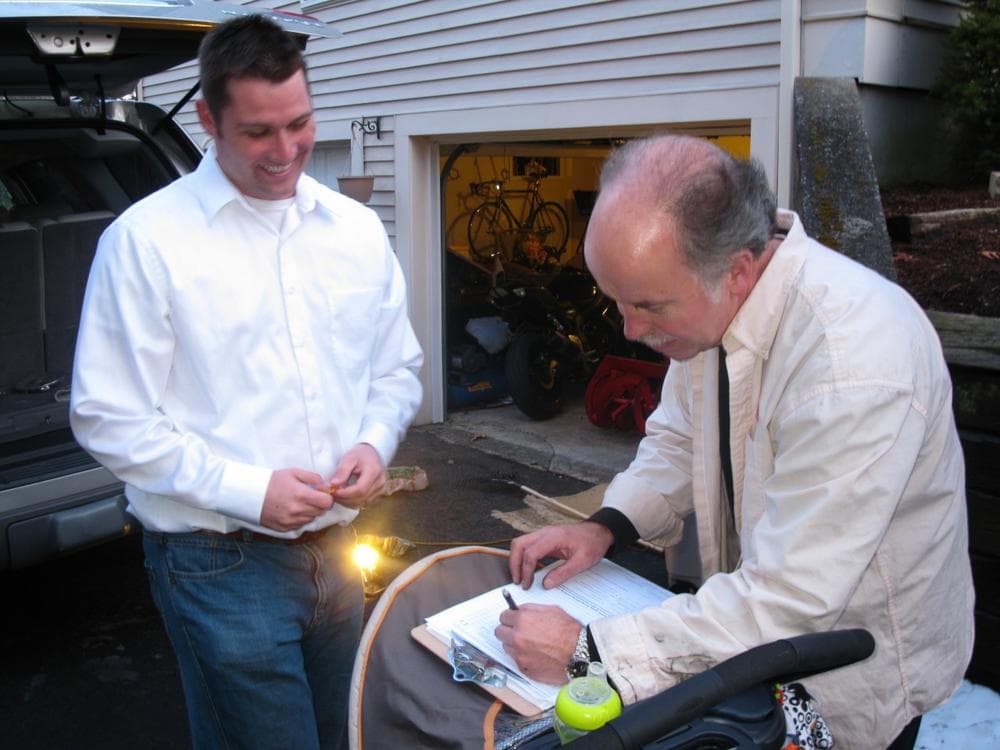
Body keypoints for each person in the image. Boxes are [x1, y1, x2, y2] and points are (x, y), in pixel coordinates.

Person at [496, 135, 974, 749]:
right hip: (760, 640)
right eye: (615, 300)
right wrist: (607, 524)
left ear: (738, 271)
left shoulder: (853, 360)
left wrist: (588, 651)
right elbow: (677, 437)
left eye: (647, 305)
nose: (631, 329)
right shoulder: (708, 300)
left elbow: (790, 595)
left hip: (857, 668)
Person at [70, 15, 423, 750]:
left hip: (339, 545)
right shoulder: (146, 243)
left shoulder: (355, 231)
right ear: (207, 119)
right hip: (216, 563)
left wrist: (372, 439)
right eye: (260, 131)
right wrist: (249, 489)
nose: (287, 150)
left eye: (299, 123)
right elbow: (107, 415)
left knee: (339, 735)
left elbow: (395, 369)